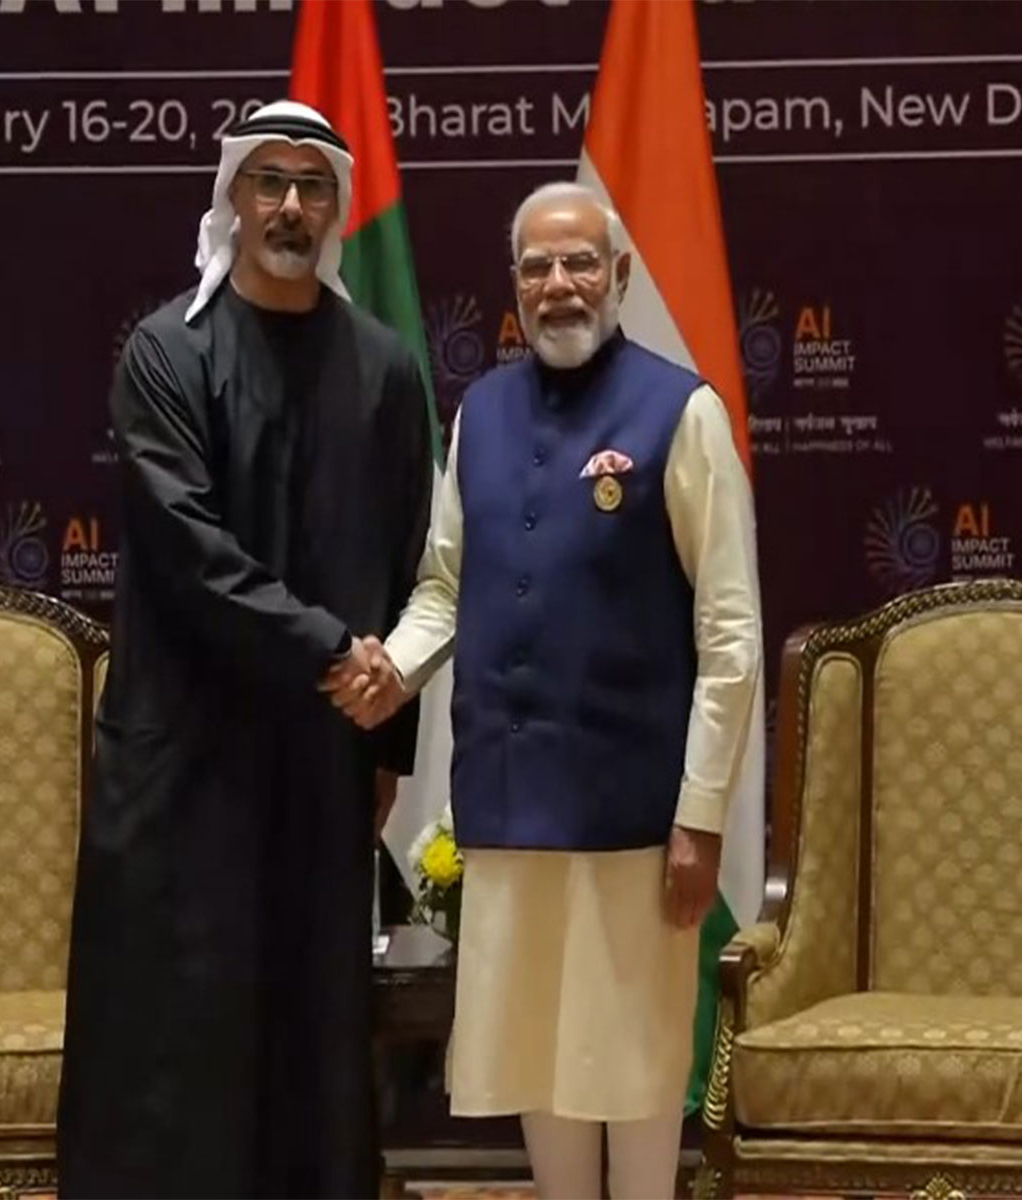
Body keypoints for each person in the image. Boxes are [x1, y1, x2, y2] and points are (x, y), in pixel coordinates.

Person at [327, 181, 763, 1200]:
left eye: (578, 263)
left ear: (615, 275)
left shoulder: (680, 411)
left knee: (636, 1055)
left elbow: (731, 634)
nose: (558, 285)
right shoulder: (481, 411)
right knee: (537, 1051)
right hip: (510, 797)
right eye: (536, 267)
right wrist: (393, 666)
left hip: (637, 811)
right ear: (512, 287)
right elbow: (445, 583)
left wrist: (699, 816)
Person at [56, 100, 433, 1199]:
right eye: (268, 182)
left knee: (309, 1029)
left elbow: (408, 556)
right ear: (230, 198)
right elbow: (191, 554)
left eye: (313, 186)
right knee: (175, 1035)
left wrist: (389, 734)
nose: (290, 206)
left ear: (337, 208)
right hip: (183, 755)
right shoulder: (167, 351)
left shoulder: (384, 369)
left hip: (321, 760)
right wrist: (338, 654)